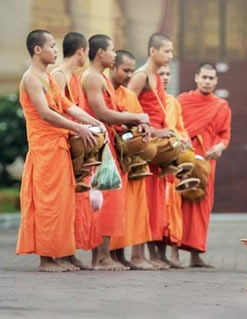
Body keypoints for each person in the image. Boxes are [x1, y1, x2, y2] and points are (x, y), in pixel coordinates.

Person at [16, 29, 102, 272]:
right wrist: (78, 128)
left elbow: (68, 107)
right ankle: (46, 259)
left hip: (59, 146)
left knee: (65, 204)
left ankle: (63, 253)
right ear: (37, 49)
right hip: (44, 150)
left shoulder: (48, 77)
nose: (56, 50)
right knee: (48, 203)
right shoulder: (31, 78)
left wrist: (95, 123)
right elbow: (45, 113)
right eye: (52, 45)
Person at [80, 34, 149, 270]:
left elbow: (115, 111)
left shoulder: (101, 79)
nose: (114, 54)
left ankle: (102, 256)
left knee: (108, 201)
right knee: (104, 200)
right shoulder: (91, 78)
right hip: (99, 148)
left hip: (108, 144)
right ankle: (101, 258)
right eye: (112, 50)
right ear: (100, 53)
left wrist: (134, 124)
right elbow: (102, 113)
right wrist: (136, 117)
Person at [50, 31, 102, 271]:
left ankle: (69, 252)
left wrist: (93, 125)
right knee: (61, 204)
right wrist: (79, 129)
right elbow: (57, 112)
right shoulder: (58, 75)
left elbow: (73, 108)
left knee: (75, 204)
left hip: (75, 143)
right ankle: (57, 254)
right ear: (81, 51)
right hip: (61, 144)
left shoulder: (73, 77)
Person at [128, 33, 175, 269]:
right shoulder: (140, 76)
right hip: (143, 146)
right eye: (167, 51)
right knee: (140, 203)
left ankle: (145, 254)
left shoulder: (155, 77)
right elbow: (126, 108)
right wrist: (154, 133)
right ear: (153, 51)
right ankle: (136, 255)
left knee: (152, 205)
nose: (171, 55)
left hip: (156, 149)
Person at [177, 62, 231, 268]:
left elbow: (224, 135)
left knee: (202, 206)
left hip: (207, 162)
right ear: (196, 78)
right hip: (184, 159)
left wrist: (220, 147)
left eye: (211, 78)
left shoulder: (221, 106)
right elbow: (174, 126)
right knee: (178, 203)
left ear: (216, 81)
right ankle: (172, 253)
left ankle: (195, 254)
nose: (207, 82)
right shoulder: (182, 101)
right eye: (204, 77)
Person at [108, 50, 158, 270]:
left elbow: (139, 117)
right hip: (112, 156)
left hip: (131, 159)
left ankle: (130, 255)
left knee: (135, 208)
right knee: (114, 206)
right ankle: (113, 255)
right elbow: (105, 116)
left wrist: (144, 128)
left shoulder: (128, 95)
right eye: (125, 70)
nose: (129, 74)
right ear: (112, 67)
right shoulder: (106, 90)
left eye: (131, 70)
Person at [158, 64, 190, 268]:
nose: (166, 77)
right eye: (161, 74)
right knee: (159, 210)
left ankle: (175, 254)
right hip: (157, 162)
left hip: (174, 162)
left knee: (175, 210)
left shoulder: (173, 102)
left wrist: (184, 139)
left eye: (169, 74)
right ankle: (158, 254)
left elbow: (180, 128)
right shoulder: (148, 99)